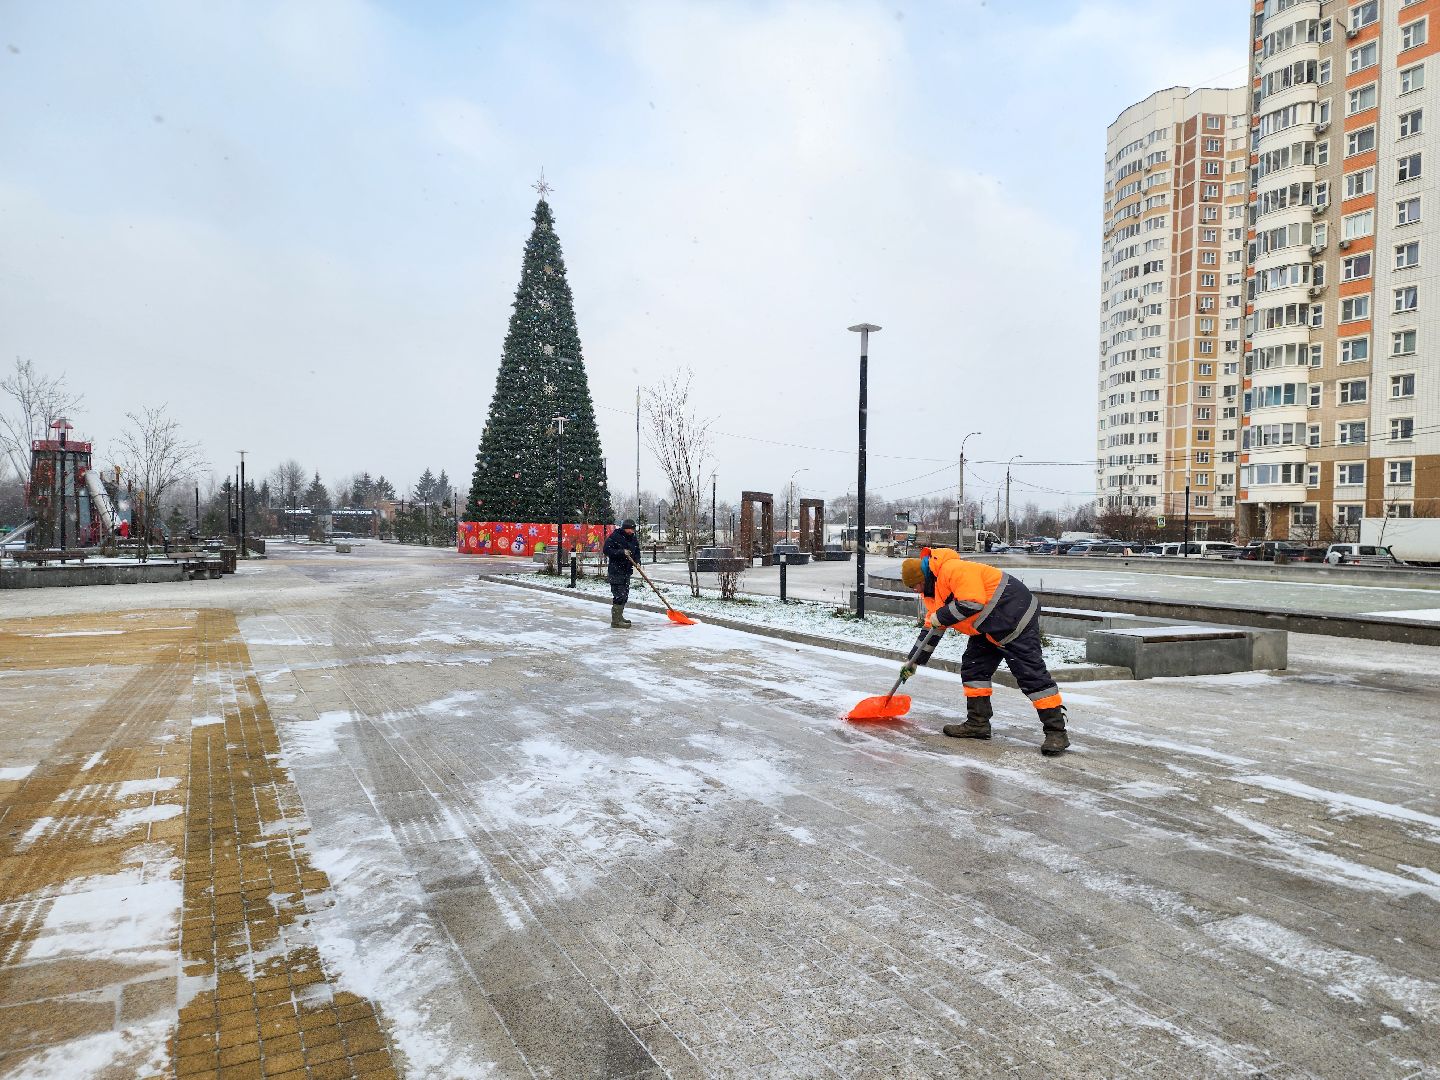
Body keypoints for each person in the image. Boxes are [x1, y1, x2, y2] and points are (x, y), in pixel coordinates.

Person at [897, 547, 1069, 756]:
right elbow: (932, 628)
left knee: (1031, 676)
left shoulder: (952, 569)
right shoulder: (933, 592)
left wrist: (941, 617)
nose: (915, 590)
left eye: (915, 585)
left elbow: (972, 602)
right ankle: (977, 723)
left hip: (1014, 617)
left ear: (923, 578)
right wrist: (913, 661)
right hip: (989, 626)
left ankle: (1056, 732)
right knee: (974, 669)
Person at [602, 519, 642, 628]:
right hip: (616, 571)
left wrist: (638, 562)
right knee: (619, 595)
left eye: (633, 529)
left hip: (626, 571)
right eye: (630, 529)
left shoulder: (633, 538)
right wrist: (621, 552)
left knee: (624, 595)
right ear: (625, 528)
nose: (632, 531)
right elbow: (606, 550)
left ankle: (619, 617)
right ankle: (615, 621)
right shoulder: (615, 537)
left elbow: (637, 551)